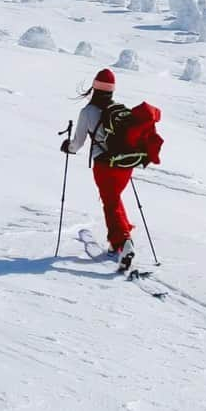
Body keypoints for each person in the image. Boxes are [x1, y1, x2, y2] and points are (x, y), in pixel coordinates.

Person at [61, 68, 135, 271]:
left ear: (95, 87)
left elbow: (78, 143)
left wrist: (68, 147)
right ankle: (117, 242)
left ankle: (123, 242)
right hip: (126, 165)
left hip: (104, 164)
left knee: (110, 203)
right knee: (114, 200)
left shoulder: (88, 112)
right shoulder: (120, 109)